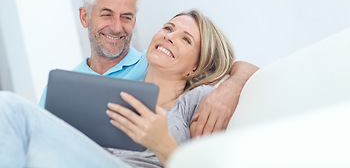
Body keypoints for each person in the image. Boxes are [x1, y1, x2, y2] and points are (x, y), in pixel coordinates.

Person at [1, 10, 248, 167]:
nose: (169, 36)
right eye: (168, 28)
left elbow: (248, 70)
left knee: (10, 108)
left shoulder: (196, 100)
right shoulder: (118, 92)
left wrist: (161, 142)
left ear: (196, 67)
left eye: (186, 39)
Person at [38, 0, 259, 136]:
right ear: (85, 17)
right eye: (107, 15)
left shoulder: (153, 61)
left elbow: (244, 68)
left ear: (134, 22)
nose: (116, 27)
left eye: (126, 17)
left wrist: (228, 89)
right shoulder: (62, 88)